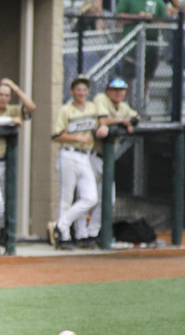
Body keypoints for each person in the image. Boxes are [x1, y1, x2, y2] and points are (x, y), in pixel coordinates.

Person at [76, 77, 140, 248]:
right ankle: (80, 234)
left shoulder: (122, 106)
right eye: (115, 90)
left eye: (122, 90)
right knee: (87, 198)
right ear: (108, 90)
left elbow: (136, 117)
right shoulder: (101, 99)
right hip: (92, 156)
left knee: (108, 199)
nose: (118, 93)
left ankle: (92, 233)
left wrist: (128, 121)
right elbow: (103, 120)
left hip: (106, 160)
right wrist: (122, 121)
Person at [0, 79, 36, 255]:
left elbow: (31, 107)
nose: (3, 98)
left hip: (4, 164)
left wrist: (15, 87)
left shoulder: (12, 108)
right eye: (1, 94)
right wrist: (11, 120)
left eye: (6, 95)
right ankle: (4, 230)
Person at [50, 76, 108, 250]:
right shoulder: (66, 110)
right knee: (66, 198)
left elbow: (102, 120)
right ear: (72, 92)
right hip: (68, 153)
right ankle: (65, 237)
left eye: (84, 90)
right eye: (78, 90)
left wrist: (103, 126)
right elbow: (56, 135)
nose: (82, 93)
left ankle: (60, 225)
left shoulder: (92, 107)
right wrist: (78, 137)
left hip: (85, 156)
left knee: (91, 198)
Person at [115, 0, 170, 98]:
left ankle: (142, 104)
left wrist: (151, 19)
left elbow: (165, 23)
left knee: (146, 78)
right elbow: (118, 17)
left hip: (151, 47)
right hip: (131, 45)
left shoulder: (158, 2)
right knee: (127, 77)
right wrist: (137, 17)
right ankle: (124, 104)